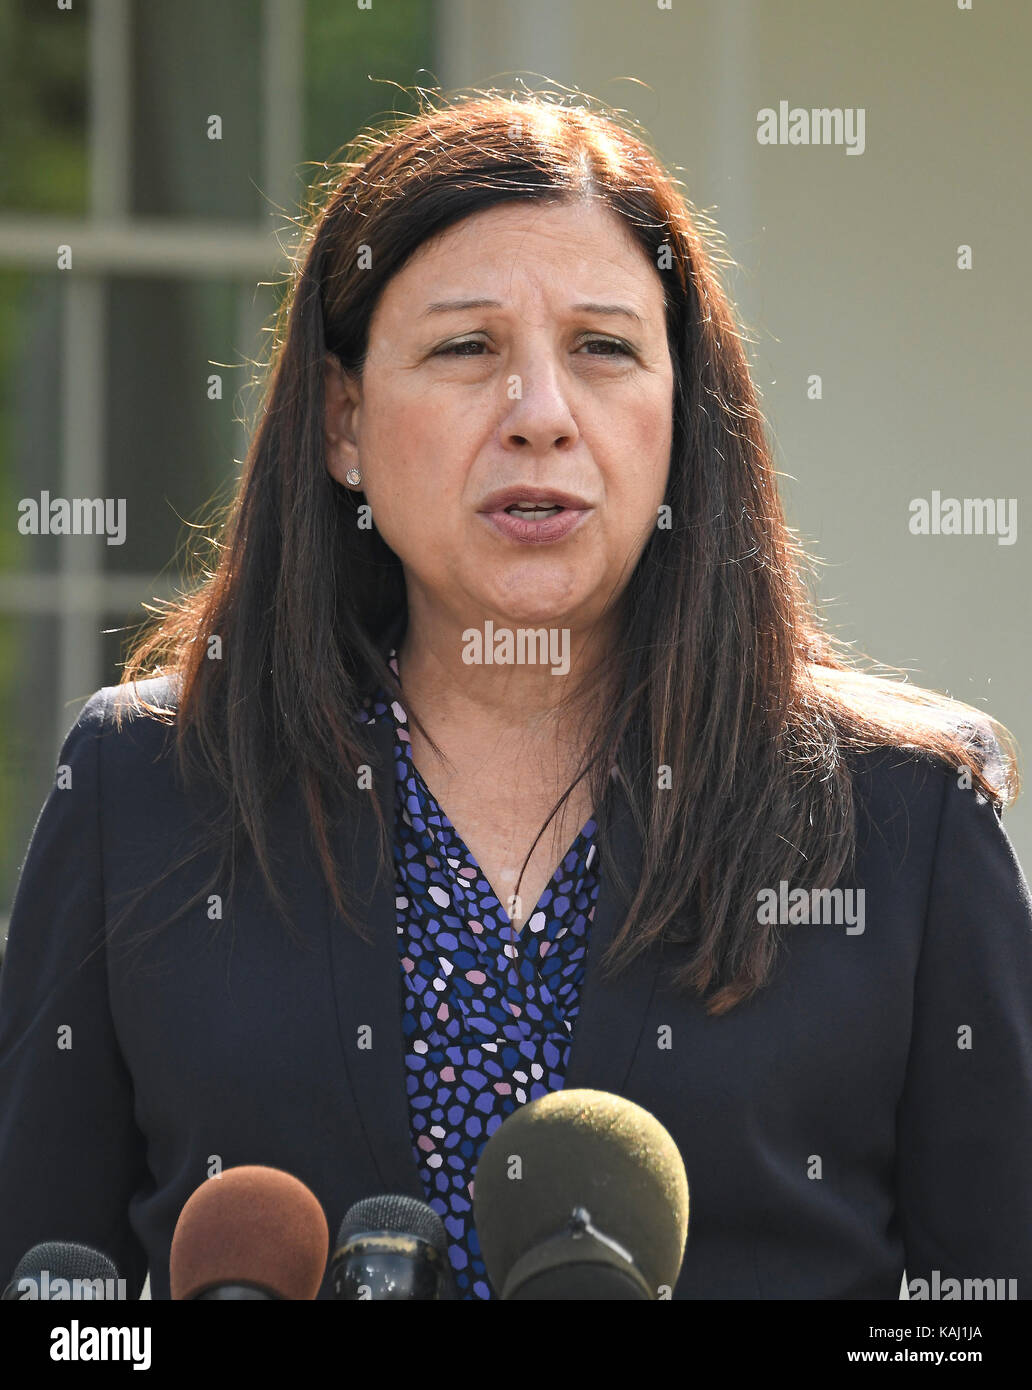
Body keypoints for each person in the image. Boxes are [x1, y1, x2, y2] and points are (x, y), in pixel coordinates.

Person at [1, 90, 1030, 1302]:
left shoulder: (904, 818)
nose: (541, 416)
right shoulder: (147, 787)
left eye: (602, 349)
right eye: (466, 349)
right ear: (343, 420)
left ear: (680, 410)